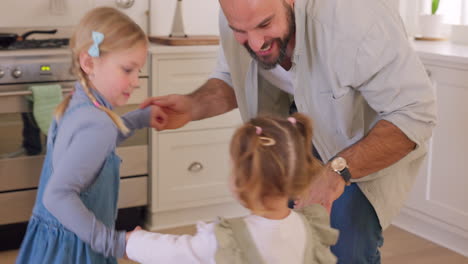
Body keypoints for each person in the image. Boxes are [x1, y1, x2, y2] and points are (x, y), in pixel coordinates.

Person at [142, 0, 437, 263]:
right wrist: (193, 105)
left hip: (361, 141)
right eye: (240, 31)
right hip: (293, 135)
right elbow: (232, 79)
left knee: (346, 247)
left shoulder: (357, 19)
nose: (255, 43)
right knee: (287, 239)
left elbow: (414, 114)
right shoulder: (238, 14)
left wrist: (337, 172)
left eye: (265, 25)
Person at [16, 7, 157, 264]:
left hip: (51, 243)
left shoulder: (76, 104)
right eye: (128, 69)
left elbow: (93, 146)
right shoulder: (98, 124)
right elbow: (58, 195)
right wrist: (113, 242)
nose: (136, 80)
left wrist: (140, 118)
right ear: (89, 62)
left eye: (138, 70)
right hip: (76, 250)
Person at [125, 113, 338, 264]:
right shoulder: (310, 228)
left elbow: (174, 252)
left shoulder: (227, 239)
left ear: (242, 180)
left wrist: (133, 242)